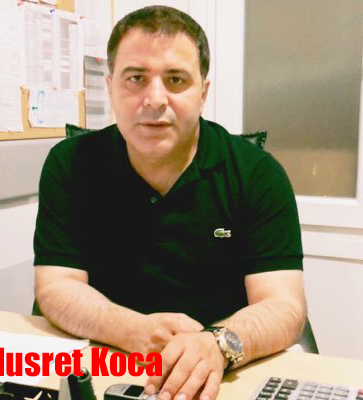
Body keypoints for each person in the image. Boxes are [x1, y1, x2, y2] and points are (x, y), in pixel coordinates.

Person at [34, 5, 306, 400]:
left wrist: (218, 344)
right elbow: (56, 286)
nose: (154, 99)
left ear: (203, 93)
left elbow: (283, 305)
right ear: (111, 87)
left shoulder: (257, 173)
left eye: (176, 79)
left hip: (216, 374)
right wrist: (133, 330)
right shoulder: (69, 163)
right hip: (104, 365)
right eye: (136, 78)